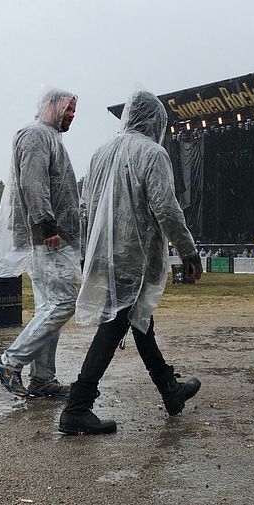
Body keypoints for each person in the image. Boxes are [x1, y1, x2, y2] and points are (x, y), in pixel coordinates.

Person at [59, 89, 202, 435]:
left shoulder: (100, 153)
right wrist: (188, 251)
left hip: (103, 253)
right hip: (132, 255)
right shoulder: (152, 155)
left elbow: (85, 207)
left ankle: (169, 390)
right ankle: (77, 406)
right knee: (116, 324)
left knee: (139, 321)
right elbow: (165, 208)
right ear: (156, 121)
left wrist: (88, 251)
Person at [0, 88, 80, 399]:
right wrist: (46, 225)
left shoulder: (50, 137)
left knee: (48, 307)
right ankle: (9, 362)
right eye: (68, 108)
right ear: (50, 105)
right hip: (49, 237)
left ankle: (43, 378)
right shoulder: (37, 135)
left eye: (74, 110)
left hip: (52, 235)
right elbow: (33, 181)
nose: (72, 114)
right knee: (63, 303)